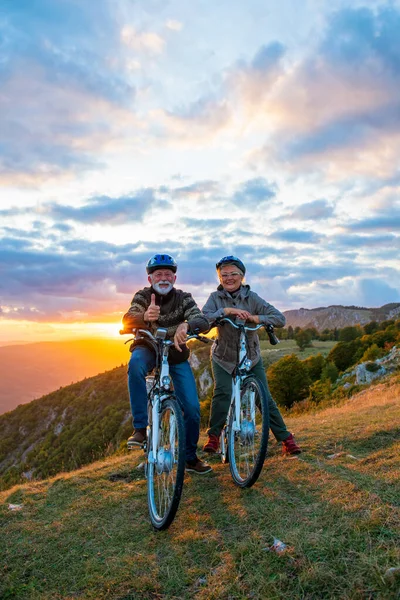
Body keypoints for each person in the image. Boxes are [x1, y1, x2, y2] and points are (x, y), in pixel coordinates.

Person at [202, 255, 301, 455]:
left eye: (233, 274)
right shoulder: (215, 298)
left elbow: (279, 318)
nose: (229, 278)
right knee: (223, 392)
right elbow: (203, 320)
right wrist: (226, 311)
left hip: (250, 356)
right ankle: (214, 435)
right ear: (220, 278)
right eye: (224, 275)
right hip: (223, 356)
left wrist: (256, 318)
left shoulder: (252, 298)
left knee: (263, 397)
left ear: (242, 276)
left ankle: (286, 439)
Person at [122, 253, 212, 474]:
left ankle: (190, 457)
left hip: (175, 352)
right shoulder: (143, 296)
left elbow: (202, 320)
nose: (163, 278)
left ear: (174, 278)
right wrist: (145, 316)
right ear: (150, 279)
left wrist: (187, 326)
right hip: (148, 347)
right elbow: (127, 318)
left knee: (191, 408)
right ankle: (140, 428)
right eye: (158, 274)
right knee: (135, 366)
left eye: (168, 274)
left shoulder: (184, 298)